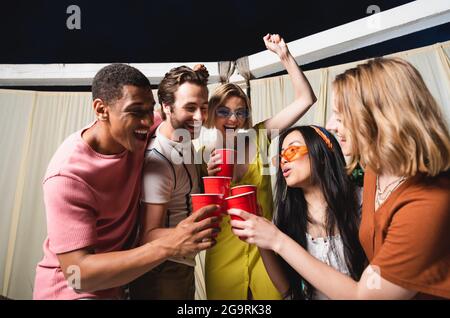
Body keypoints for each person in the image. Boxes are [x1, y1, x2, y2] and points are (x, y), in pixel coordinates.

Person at [230, 57, 450, 299]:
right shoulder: (375, 174)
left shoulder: (427, 203)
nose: (330, 125)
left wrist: (276, 240)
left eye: (340, 115)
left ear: (378, 117)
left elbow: (364, 296)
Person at [33, 63, 220, 300]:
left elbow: (172, 113)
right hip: (71, 292)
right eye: (136, 112)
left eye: (149, 111)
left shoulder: (138, 131)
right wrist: (170, 244)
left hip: (119, 286)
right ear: (101, 110)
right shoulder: (67, 176)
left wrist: (190, 79)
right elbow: (77, 275)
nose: (146, 121)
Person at [203, 33, 317, 299]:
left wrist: (284, 56)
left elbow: (305, 99)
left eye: (240, 111)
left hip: (265, 251)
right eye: (224, 111)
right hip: (222, 254)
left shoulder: (259, 135)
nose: (234, 118)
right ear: (210, 114)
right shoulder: (200, 153)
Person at [246, 125, 366, 299]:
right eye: (281, 156)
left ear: (322, 154)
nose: (283, 161)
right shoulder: (286, 215)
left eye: (292, 150)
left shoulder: (361, 201)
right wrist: (260, 239)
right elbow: (288, 291)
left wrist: (275, 239)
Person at [129, 65, 213, 299]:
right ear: (166, 107)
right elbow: (148, 234)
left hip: (182, 264)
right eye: (190, 108)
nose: (199, 118)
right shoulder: (158, 161)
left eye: (203, 108)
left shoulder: (183, 139)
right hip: (163, 269)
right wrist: (195, 231)